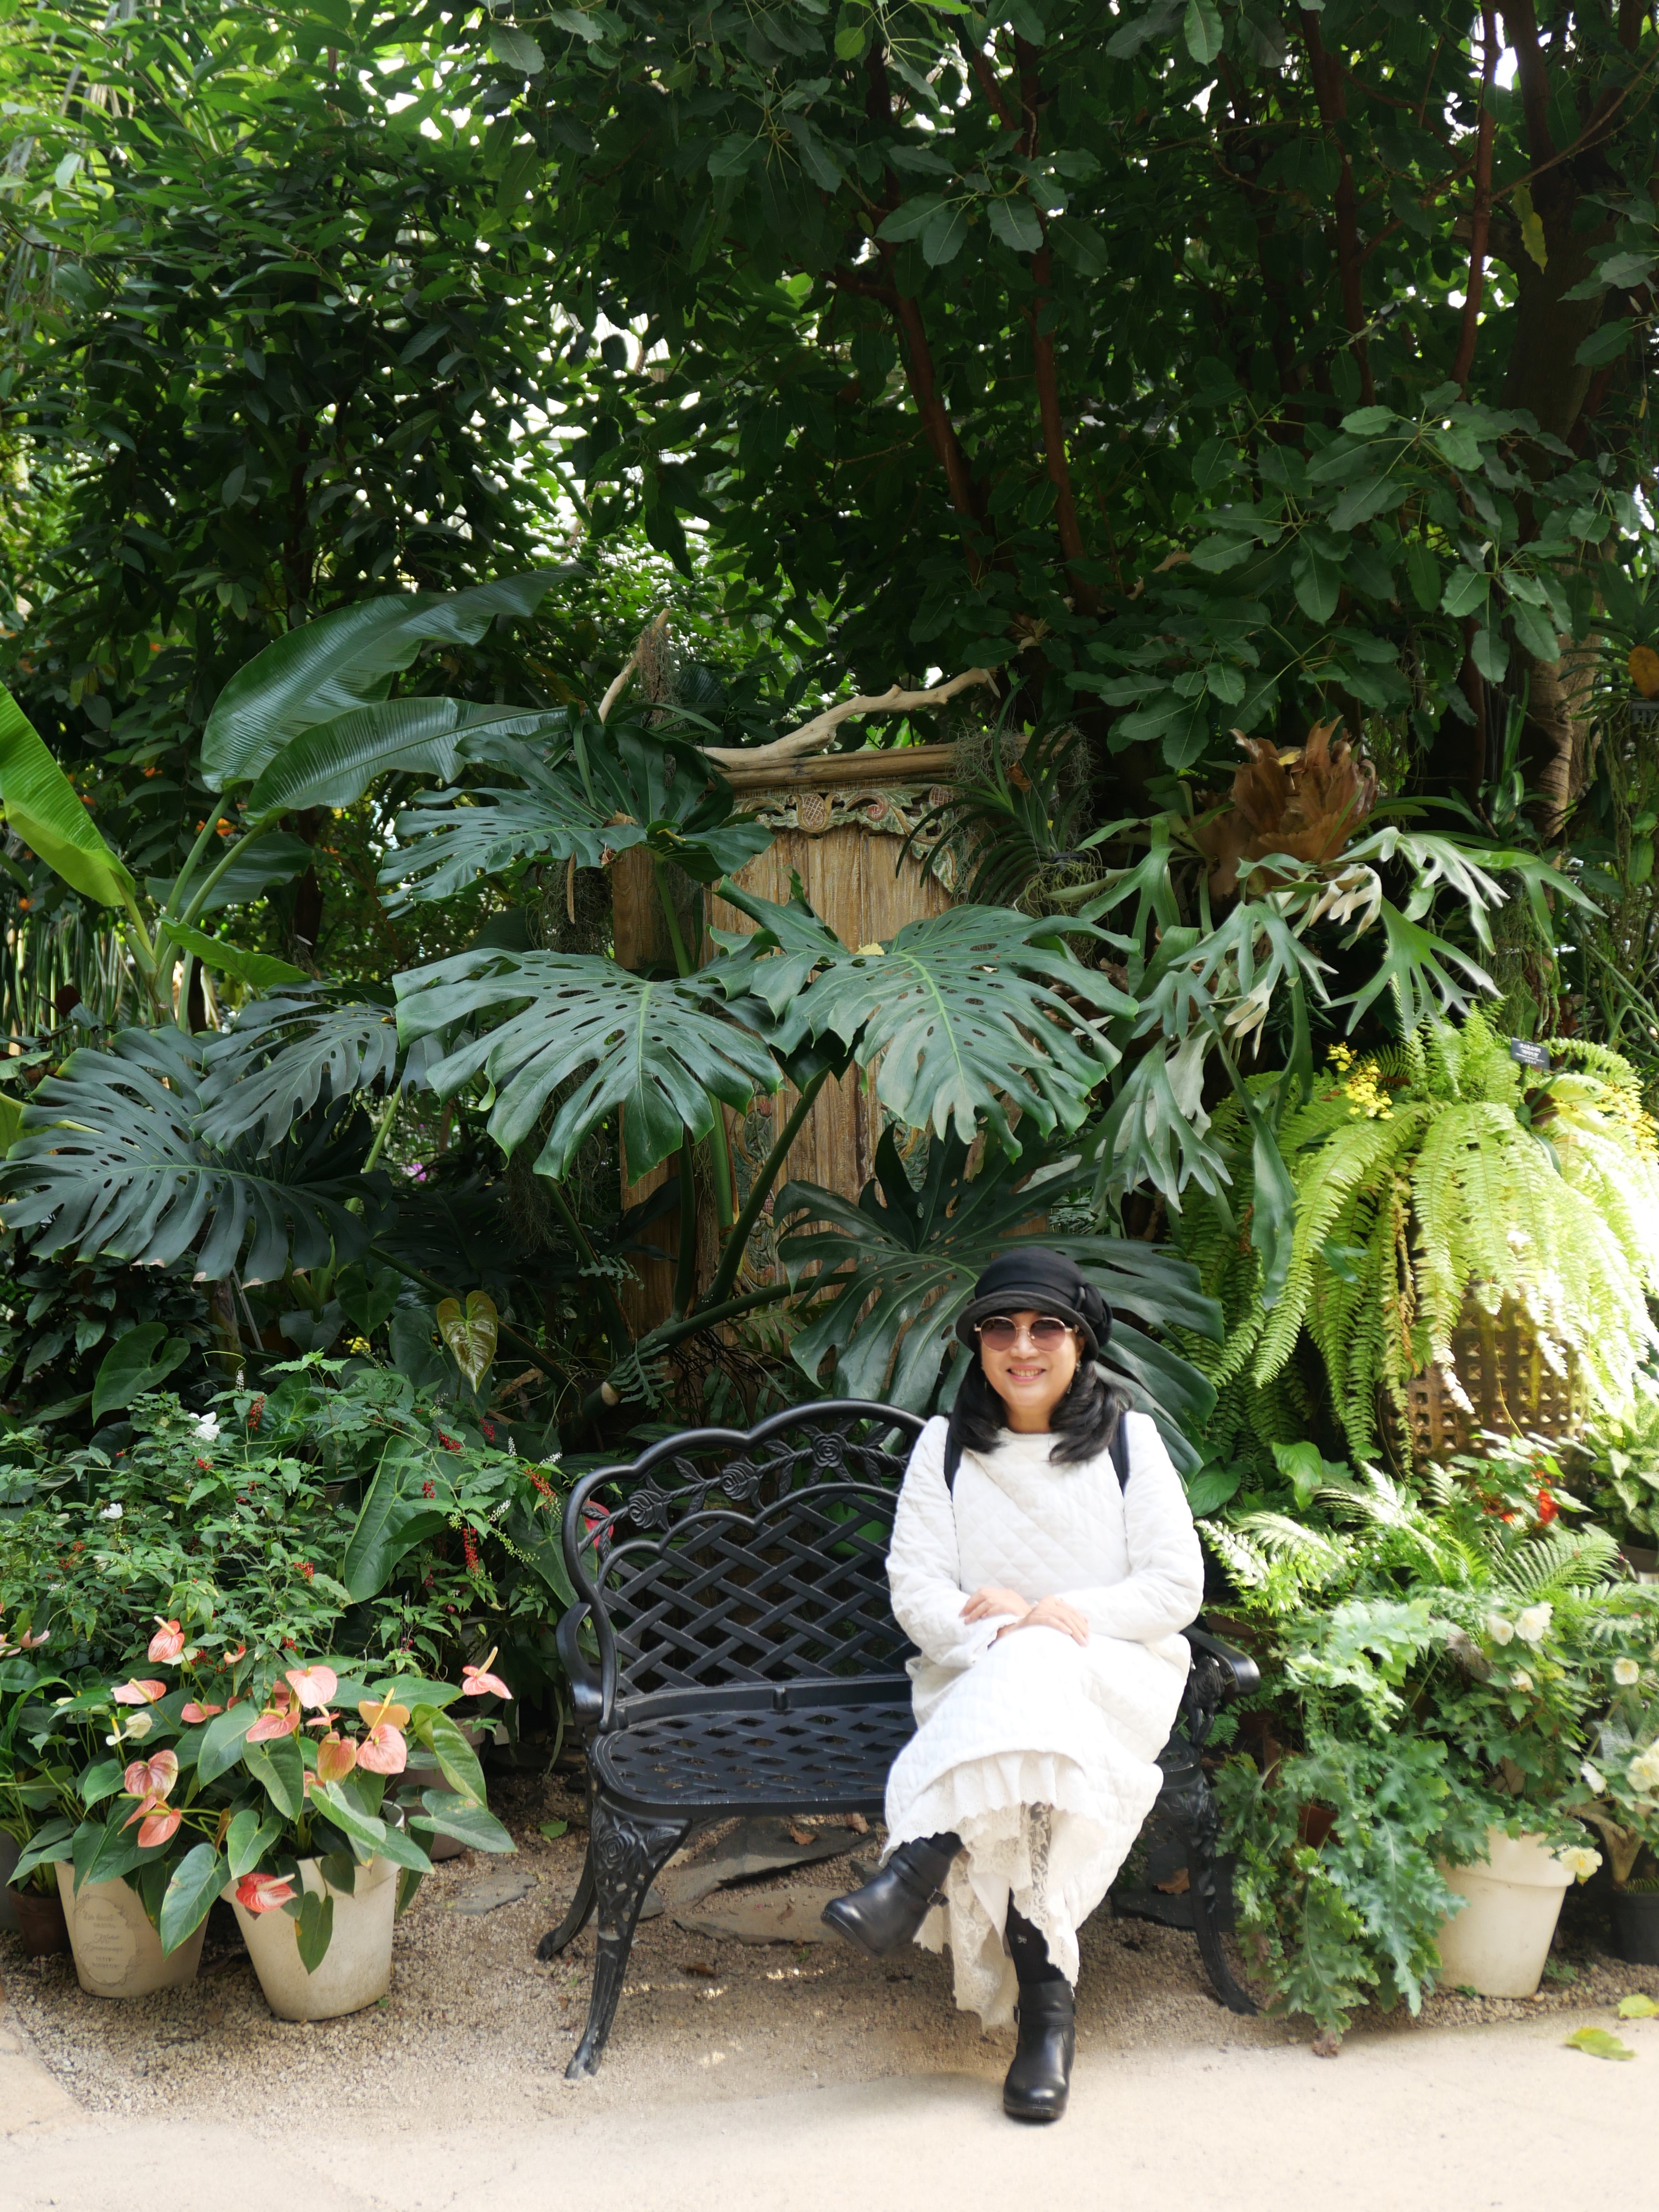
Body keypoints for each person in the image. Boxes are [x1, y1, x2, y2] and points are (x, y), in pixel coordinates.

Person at [822, 1248, 1205, 2123]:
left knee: (1040, 1662)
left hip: (1114, 1677)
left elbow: (1175, 1588)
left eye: (1044, 1327)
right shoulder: (944, 1448)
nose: (1022, 1346)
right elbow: (917, 1591)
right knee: (1028, 1731)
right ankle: (1046, 2018)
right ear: (978, 1344)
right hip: (976, 1679)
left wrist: (1054, 1613)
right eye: (1001, 1327)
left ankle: (916, 1866)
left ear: (1081, 1341)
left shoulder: (1131, 1444)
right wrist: (998, 1630)